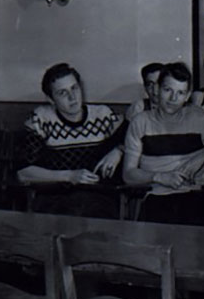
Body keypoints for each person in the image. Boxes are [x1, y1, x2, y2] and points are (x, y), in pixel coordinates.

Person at [123, 62, 204, 224]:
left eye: (180, 93)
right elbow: (128, 174)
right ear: (157, 89)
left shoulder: (198, 119)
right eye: (168, 90)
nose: (173, 98)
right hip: (156, 197)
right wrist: (160, 177)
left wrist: (203, 157)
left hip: (194, 198)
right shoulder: (140, 122)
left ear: (187, 96)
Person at [16, 63, 125, 218]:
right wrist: (70, 176)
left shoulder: (103, 115)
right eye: (62, 93)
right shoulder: (40, 120)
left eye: (75, 88)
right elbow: (23, 173)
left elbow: (136, 135)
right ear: (51, 99)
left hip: (99, 200)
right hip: (55, 201)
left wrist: (119, 150)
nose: (72, 97)